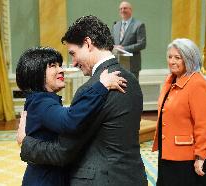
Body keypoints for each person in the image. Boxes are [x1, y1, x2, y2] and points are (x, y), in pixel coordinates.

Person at [17, 15, 148, 186]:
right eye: (53, 66)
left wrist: (25, 142)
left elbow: (63, 152)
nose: (73, 63)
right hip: (132, 177)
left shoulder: (92, 88)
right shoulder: (131, 80)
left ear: (87, 43)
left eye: (73, 53)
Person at [16, 46, 127, 186]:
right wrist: (101, 86)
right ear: (35, 72)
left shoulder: (40, 100)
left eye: (59, 65)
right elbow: (70, 121)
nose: (61, 70)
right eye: (52, 66)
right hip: (45, 180)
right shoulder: (41, 102)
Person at [152, 38, 206, 186]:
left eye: (177, 57)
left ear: (189, 59)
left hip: (188, 157)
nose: (172, 61)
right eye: (170, 57)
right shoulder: (171, 79)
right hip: (168, 151)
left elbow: (204, 124)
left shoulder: (197, 83)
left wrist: (201, 157)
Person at [112, 1, 146, 79]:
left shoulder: (139, 25)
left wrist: (124, 49)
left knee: (132, 89)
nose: (122, 10)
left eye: (125, 8)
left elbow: (142, 44)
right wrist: (113, 46)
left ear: (131, 10)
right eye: (120, 9)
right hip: (117, 65)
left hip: (132, 65)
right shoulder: (115, 25)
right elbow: (112, 42)